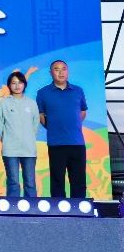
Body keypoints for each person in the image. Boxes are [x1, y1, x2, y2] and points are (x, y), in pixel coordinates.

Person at [36, 60, 88, 198]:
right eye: (56, 69)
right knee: (57, 181)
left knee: (79, 181)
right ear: (51, 73)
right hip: (56, 143)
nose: (61, 72)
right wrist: (53, 126)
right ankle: (58, 209)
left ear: (67, 71)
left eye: (64, 69)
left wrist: (73, 124)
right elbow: (41, 115)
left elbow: (83, 112)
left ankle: (79, 207)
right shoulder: (43, 93)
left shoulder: (78, 91)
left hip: (77, 143)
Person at [0, 71, 40, 197]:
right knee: (13, 182)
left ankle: (31, 207)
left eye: (20, 83)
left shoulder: (31, 103)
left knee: (30, 182)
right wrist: (6, 139)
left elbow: (35, 124)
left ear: (24, 84)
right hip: (10, 149)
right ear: (9, 85)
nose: (17, 86)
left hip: (29, 149)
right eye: (13, 83)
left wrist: (29, 138)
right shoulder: (3, 103)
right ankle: (12, 207)